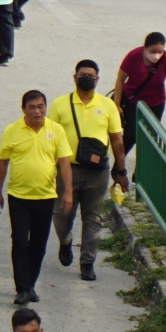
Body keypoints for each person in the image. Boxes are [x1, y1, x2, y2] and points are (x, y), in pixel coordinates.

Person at [50, 60, 127, 283]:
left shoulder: (107, 105)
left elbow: (116, 139)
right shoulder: (60, 104)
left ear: (98, 79)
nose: (87, 78)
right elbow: (51, 136)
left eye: (91, 75)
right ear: (74, 78)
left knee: (93, 218)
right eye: (82, 74)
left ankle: (87, 262)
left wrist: (120, 169)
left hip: (97, 171)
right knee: (62, 215)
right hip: (67, 170)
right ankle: (65, 241)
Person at [0, 91, 74, 304]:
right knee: (20, 241)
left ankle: (31, 286)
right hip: (18, 196)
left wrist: (68, 192)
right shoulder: (12, 130)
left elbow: (64, 162)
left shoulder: (56, 130)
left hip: (46, 196)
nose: (37, 111)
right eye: (32, 107)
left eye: (41, 106)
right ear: (24, 109)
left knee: (39, 243)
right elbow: (3, 162)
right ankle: (21, 288)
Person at [112, 31, 166, 155]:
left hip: (155, 103)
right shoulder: (133, 56)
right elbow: (120, 80)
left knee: (149, 140)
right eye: (153, 51)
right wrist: (116, 105)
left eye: (160, 52)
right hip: (133, 101)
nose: (157, 55)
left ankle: (139, 173)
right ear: (145, 48)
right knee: (130, 136)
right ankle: (119, 167)